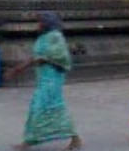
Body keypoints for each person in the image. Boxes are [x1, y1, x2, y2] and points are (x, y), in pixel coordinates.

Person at [7, 12, 82, 150]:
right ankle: (31, 140)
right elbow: (37, 56)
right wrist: (20, 67)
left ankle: (30, 142)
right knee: (41, 106)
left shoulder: (55, 37)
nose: (38, 25)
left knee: (43, 107)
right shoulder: (44, 37)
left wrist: (19, 68)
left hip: (52, 78)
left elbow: (48, 57)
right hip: (43, 78)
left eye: (40, 22)